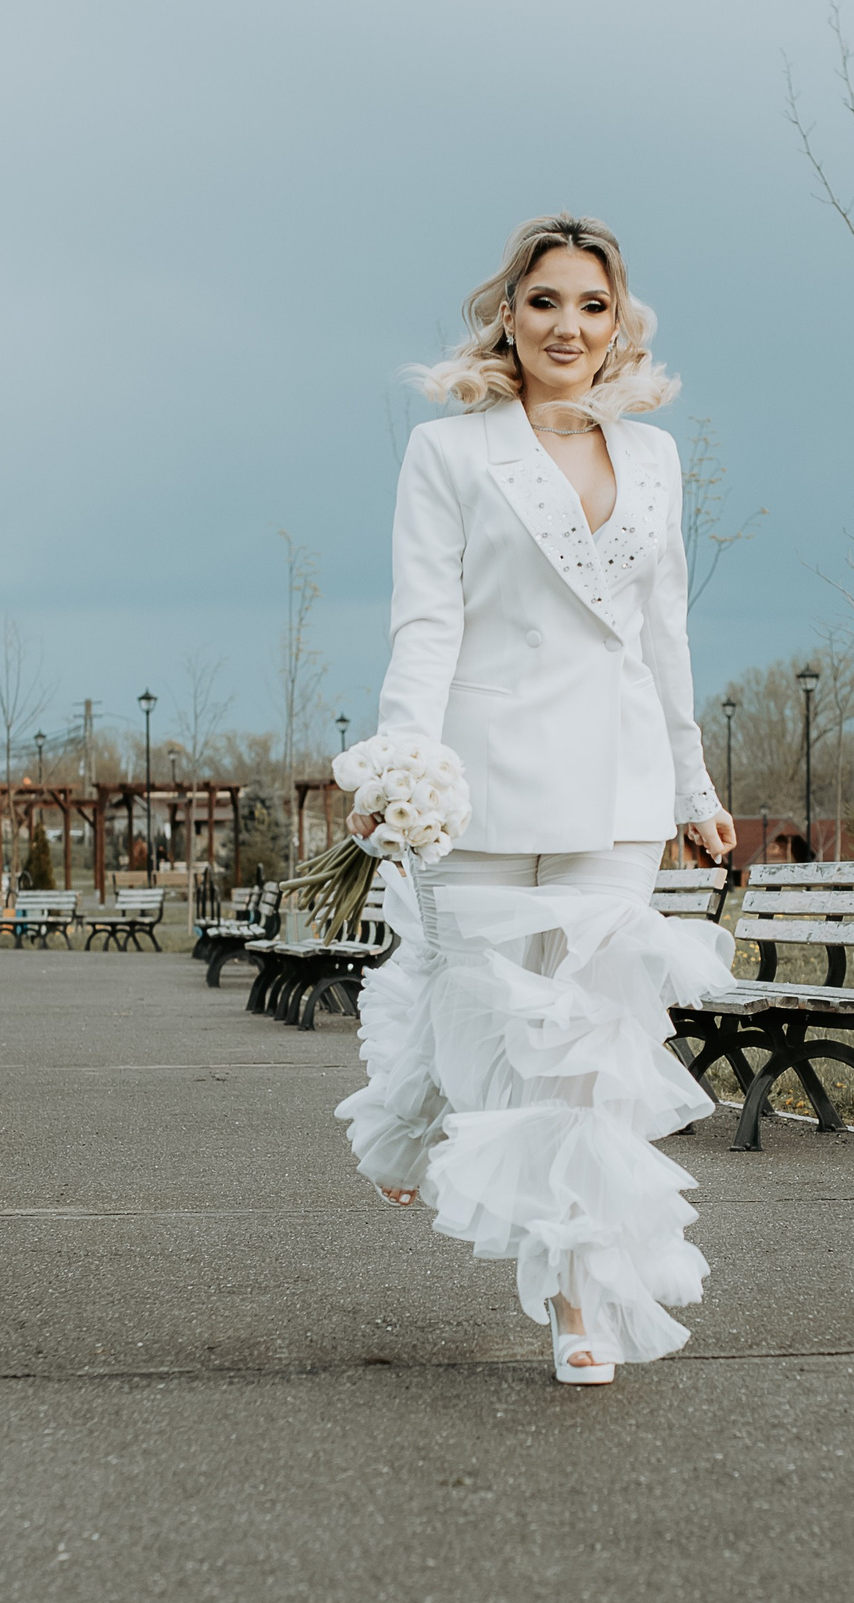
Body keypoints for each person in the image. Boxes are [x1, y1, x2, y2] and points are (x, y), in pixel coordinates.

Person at [336, 214, 738, 1387]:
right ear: (507, 314)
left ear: (621, 325)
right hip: (485, 782)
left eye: (593, 306)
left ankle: (578, 1298)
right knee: (473, 1005)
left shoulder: (655, 458)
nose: (570, 326)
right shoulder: (448, 453)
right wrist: (401, 769)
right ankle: (409, 1113)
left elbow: (664, 636)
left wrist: (693, 785)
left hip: (616, 788)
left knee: (584, 1048)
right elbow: (427, 621)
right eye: (547, 302)